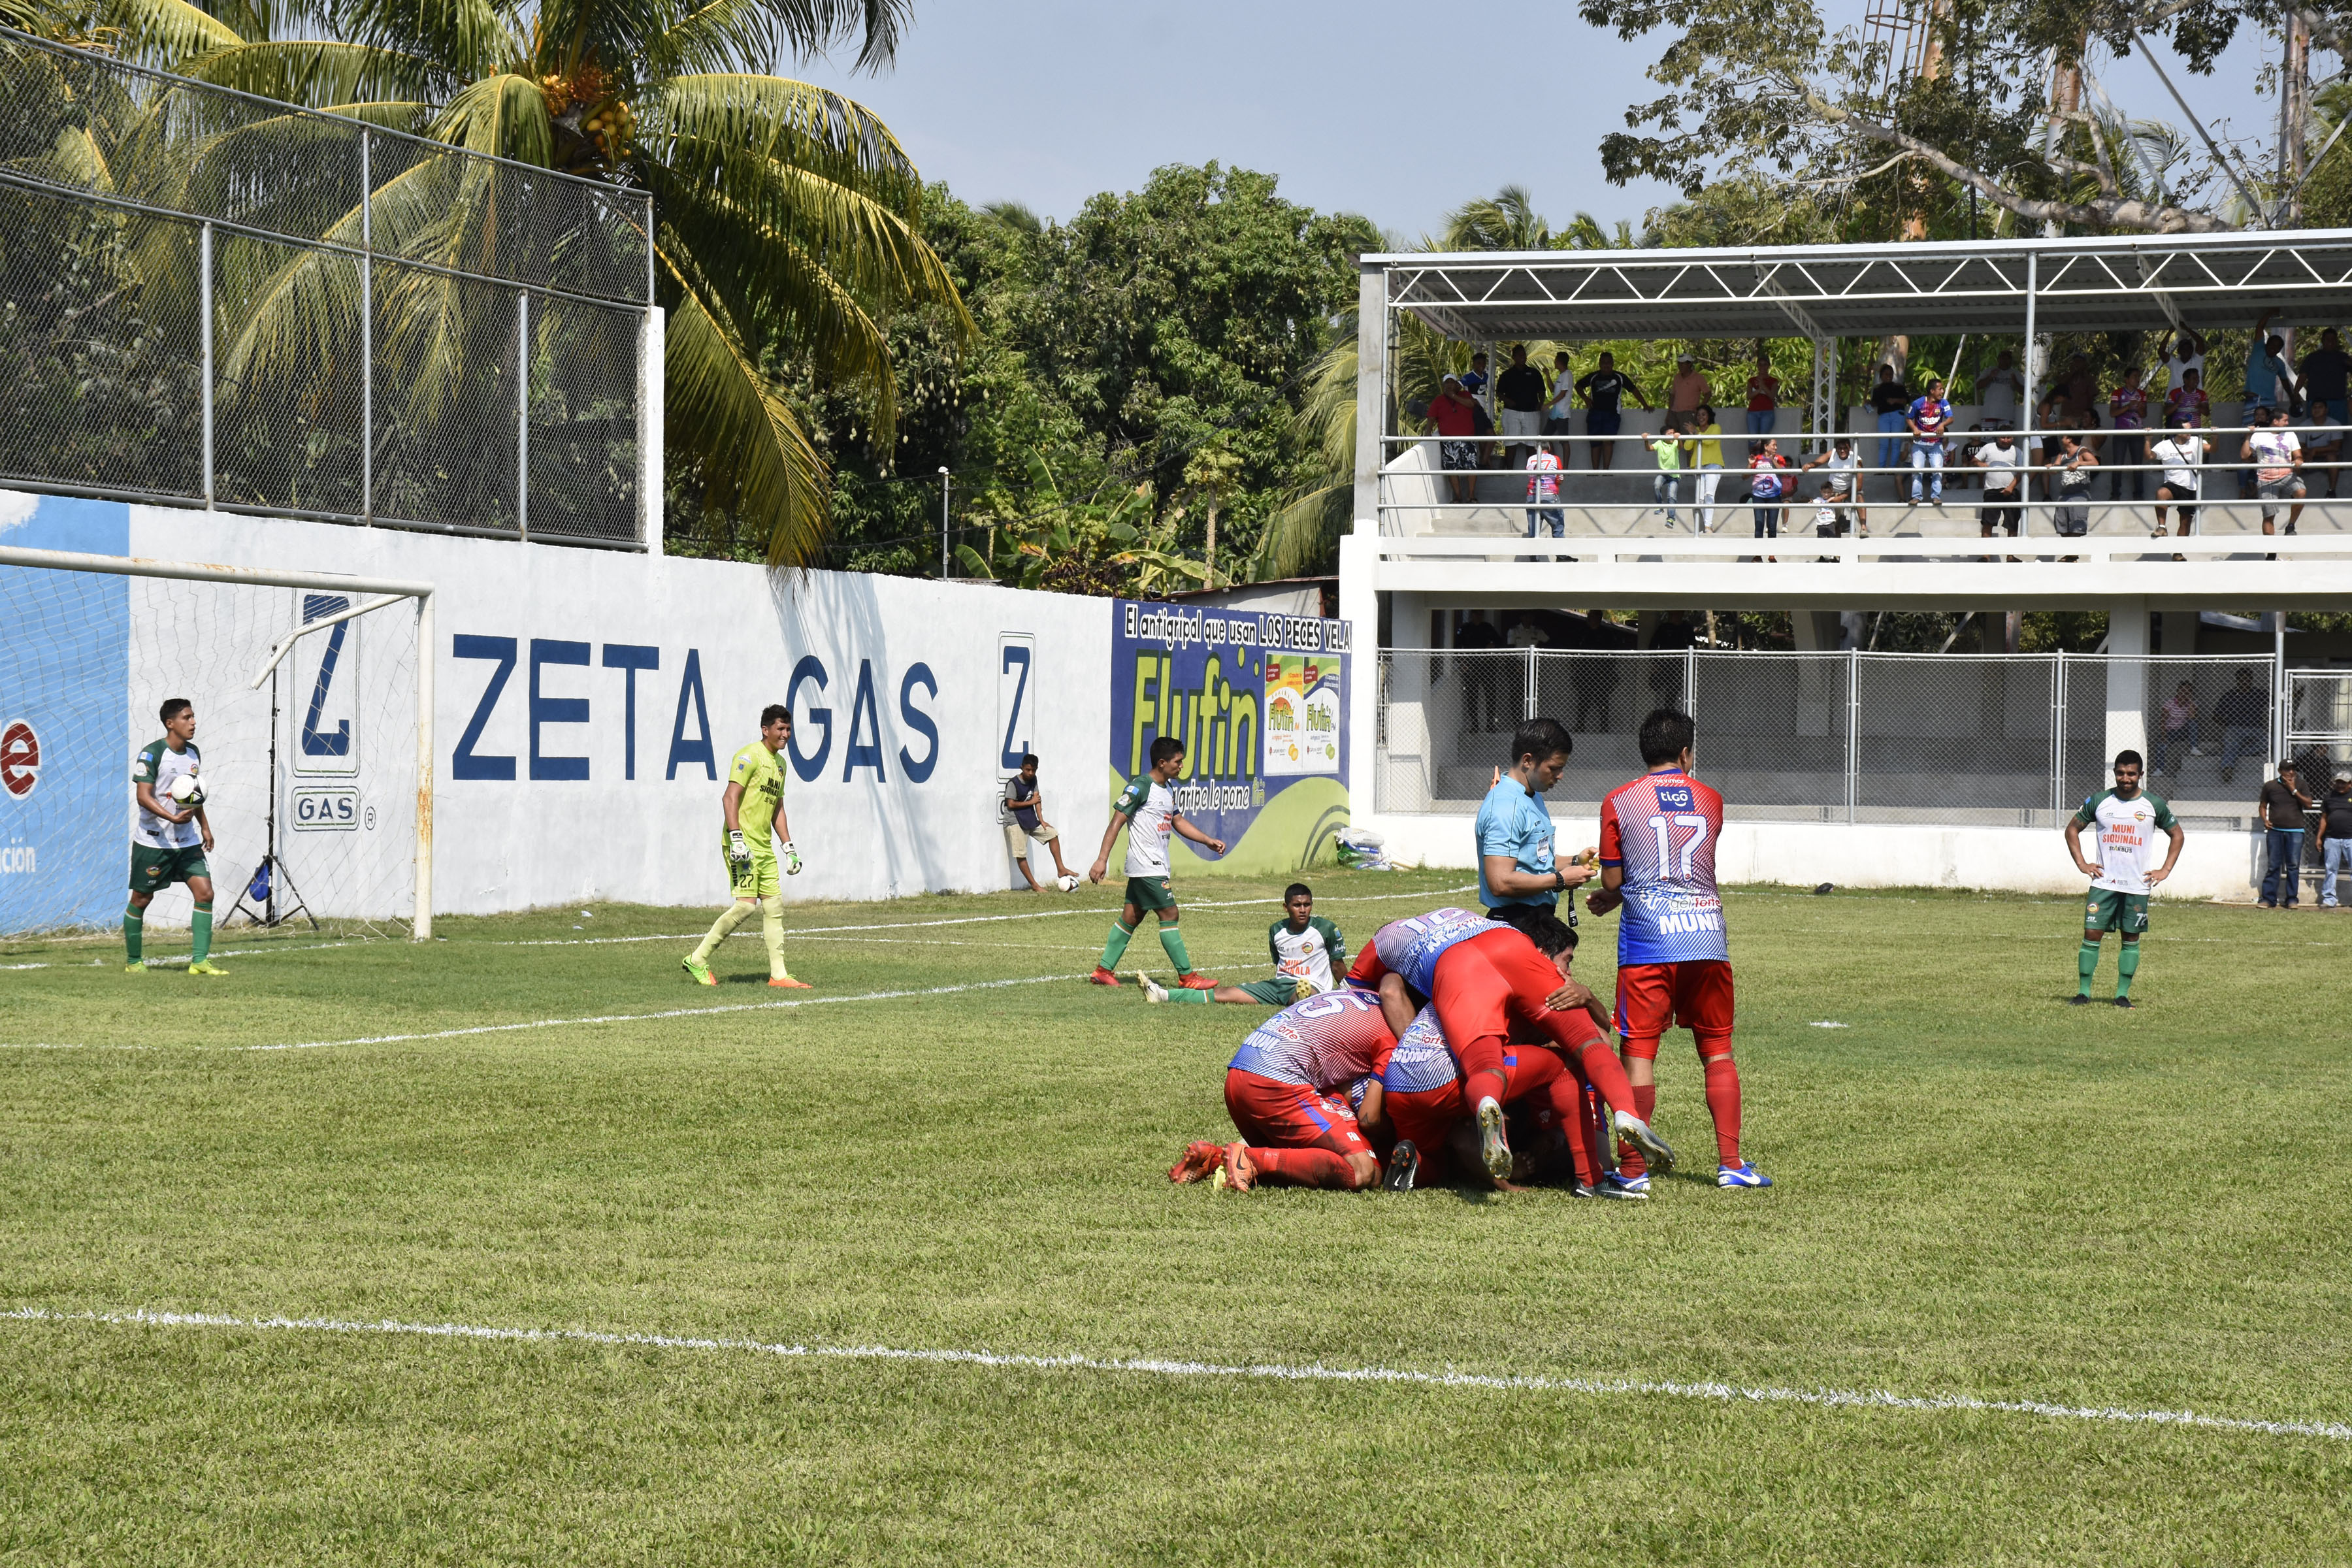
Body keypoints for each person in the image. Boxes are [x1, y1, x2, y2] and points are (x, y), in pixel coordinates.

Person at [1344, 906, 1675, 1181]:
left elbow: (1356, 995)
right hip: (1504, 942)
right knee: (1583, 1045)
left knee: (1482, 1063)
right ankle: (1624, 1116)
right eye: (1568, 961)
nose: (1570, 970)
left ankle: (1487, 1101)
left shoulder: (1386, 944)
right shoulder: (1467, 918)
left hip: (1450, 977)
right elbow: (1601, 1036)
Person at [1586, 707, 1767, 1189]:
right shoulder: (1712, 798)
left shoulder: (1618, 800)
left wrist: (1614, 891)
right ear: (1686, 753)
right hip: (1707, 937)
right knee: (1718, 1051)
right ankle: (1731, 1165)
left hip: (1649, 941)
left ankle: (1632, 1173)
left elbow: (1615, 878)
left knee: (1639, 1055)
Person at [1168, 984, 1397, 1191]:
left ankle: (1214, 1158)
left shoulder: (1363, 995)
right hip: (1276, 1081)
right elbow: (1369, 1119)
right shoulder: (1394, 1034)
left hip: (1240, 1074)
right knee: (1365, 1171)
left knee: (1302, 1160)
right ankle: (1251, 1159)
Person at [681, 703, 809, 988]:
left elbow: (777, 808)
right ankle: (698, 959)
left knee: (774, 907)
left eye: (788, 729)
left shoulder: (780, 765)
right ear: (766, 730)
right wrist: (736, 837)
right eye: (780, 729)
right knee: (746, 907)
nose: (786, 734)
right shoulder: (749, 756)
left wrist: (788, 847)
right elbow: (730, 798)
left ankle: (779, 975)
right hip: (742, 844)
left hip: (764, 847)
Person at [1087, 735, 1227, 987]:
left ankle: (1102, 971)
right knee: (1170, 913)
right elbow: (1117, 822)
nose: (1182, 766)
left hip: (1152, 866)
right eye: (1178, 761)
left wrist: (1207, 840)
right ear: (1162, 763)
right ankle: (1187, 977)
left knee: (1131, 917)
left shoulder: (1168, 789)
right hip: (1147, 866)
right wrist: (1101, 860)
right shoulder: (1140, 787)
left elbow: (1178, 821)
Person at [2063, 749, 2183, 1007]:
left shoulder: (2153, 804)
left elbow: (2178, 835)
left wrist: (2165, 870)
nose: (2125, 778)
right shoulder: (2100, 801)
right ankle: (2083, 992)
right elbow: (2072, 829)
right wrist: (2082, 863)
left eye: (2131, 773)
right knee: (2091, 934)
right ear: (2115, 773)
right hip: (2104, 884)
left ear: (2141, 774)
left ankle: (2122, 995)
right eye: (2120, 773)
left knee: (2131, 938)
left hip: (2137, 886)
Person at [125, 697, 221, 976]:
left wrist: (204, 825)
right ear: (171, 723)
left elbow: (194, 795)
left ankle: (200, 962)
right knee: (141, 899)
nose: (193, 722)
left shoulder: (193, 753)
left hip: (187, 840)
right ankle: (133, 962)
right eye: (187, 718)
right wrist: (171, 818)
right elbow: (143, 797)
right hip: (154, 841)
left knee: (205, 893)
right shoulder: (152, 754)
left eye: (193, 717)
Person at [1476, 717, 1597, 936]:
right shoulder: (1506, 806)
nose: (1560, 775)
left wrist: (1574, 861)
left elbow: (1536, 862)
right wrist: (1560, 880)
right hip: (1513, 924)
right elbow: (1500, 882)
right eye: (1554, 768)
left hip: (1535, 919)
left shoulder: (1531, 796)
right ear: (1527, 760)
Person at [1139, 883, 1347, 1006]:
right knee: (1225, 993)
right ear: (1286, 907)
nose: (1303, 910)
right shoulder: (1277, 931)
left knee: (1303, 995)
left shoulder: (1325, 928)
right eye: (1297, 905)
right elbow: (1279, 963)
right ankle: (1162, 994)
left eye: (1307, 904)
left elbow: (1337, 966)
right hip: (1278, 985)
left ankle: (1303, 999)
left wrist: (1350, 992)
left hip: (1314, 986)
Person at [1002, 754, 1076, 892]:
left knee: (1052, 834)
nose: (1031, 773)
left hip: (1029, 818)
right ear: (1022, 768)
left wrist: (1041, 820)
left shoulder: (1034, 779)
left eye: (1034, 770)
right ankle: (1035, 886)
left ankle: (1061, 869)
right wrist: (1031, 802)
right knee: (1021, 854)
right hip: (1014, 821)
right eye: (1028, 770)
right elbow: (1011, 804)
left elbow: (1037, 799)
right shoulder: (1013, 783)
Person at [2298, 327, 2352, 497]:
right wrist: (2294, 395)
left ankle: (2336, 462)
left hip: (2338, 402)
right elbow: (2303, 376)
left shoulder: (2343, 358)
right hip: (2316, 400)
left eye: (2333, 339)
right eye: (2327, 339)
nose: (2330, 342)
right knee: (2315, 432)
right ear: (2322, 340)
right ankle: (2310, 461)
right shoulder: (2313, 357)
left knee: (2338, 434)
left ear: (2337, 341)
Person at [1577, 351, 1650, 470]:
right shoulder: (1594, 377)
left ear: (1612, 364)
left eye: (1609, 363)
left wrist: (1645, 405)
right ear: (1599, 363)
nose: (1606, 365)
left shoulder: (1619, 377)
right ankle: (1594, 472)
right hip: (1595, 413)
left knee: (1608, 442)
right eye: (1604, 363)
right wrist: (1585, 399)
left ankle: (1606, 471)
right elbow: (1578, 386)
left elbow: (1634, 390)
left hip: (1612, 414)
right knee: (1595, 443)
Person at [2257, 760, 2314, 909]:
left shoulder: (2301, 784)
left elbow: (2309, 804)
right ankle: (2268, 899)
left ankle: (2292, 899)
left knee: (2293, 866)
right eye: (2287, 770)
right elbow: (2263, 806)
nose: (2291, 772)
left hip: (2295, 831)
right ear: (2279, 771)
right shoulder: (2270, 786)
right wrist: (2265, 820)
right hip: (2275, 832)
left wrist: (2293, 790)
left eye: (2293, 769)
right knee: (2273, 865)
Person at [2244, 404, 2306, 537]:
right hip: (2265, 479)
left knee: (2301, 492)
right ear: (2275, 421)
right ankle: (2271, 552)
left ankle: (2291, 525)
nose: (2288, 423)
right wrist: (2248, 436)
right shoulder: (2259, 435)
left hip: (2287, 475)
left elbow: (2298, 455)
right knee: (2269, 516)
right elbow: (2244, 456)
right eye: (2285, 421)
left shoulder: (2290, 434)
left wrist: (2299, 460)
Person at [2149, 414, 2206, 538]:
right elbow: (2150, 456)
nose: (2190, 432)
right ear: (2178, 432)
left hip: (2191, 486)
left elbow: (2211, 449)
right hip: (2173, 484)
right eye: (2187, 430)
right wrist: (2147, 440)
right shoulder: (2165, 444)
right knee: (2161, 493)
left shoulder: (2196, 441)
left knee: (2186, 521)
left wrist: (2215, 437)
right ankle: (2162, 528)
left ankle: (2178, 553)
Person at [1495, 344, 1548, 470]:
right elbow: (1499, 393)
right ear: (1514, 357)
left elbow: (1542, 391)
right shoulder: (1507, 375)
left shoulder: (1534, 373)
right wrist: (1508, 401)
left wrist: (1540, 403)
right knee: (1510, 443)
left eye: (1524, 355)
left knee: (1532, 443)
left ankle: (1531, 471)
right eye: (1520, 355)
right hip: (1511, 412)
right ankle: (1510, 470)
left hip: (1531, 412)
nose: (1523, 357)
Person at [1454, 608, 1506, 734]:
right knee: (1472, 696)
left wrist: (1492, 645)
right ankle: (1475, 725)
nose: (1479, 616)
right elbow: (1456, 647)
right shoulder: (1465, 628)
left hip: (1487, 666)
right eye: (1477, 613)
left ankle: (1490, 725)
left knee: (1491, 695)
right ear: (1472, 615)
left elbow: (1500, 642)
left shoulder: (1488, 627)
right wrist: (1462, 663)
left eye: (1481, 614)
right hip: (1471, 667)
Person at [1430, 376, 1479, 505]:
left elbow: (1470, 404)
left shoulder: (1465, 395)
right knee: (1452, 469)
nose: (1450, 385)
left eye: (1452, 382)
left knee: (1472, 468)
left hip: (1467, 439)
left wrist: (1453, 396)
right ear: (1443, 385)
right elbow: (1431, 419)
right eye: (1447, 383)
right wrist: (1426, 436)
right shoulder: (1439, 400)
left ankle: (1471, 495)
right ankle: (1458, 497)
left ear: (1457, 384)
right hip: (1449, 441)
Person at [1906, 376, 1955, 503]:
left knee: (1937, 470)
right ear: (1932, 391)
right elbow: (1908, 418)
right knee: (1917, 471)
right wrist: (1914, 429)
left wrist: (1942, 424)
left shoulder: (1944, 403)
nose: (1942, 391)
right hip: (1919, 443)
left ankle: (1936, 497)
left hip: (1936, 443)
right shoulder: (1918, 403)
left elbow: (1951, 418)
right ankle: (1916, 497)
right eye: (1940, 389)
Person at [1805, 435, 1864, 537]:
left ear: (1850, 449)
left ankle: (1864, 528)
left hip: (1851, 490)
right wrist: (1809, 465)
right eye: (1840, 448)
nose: (1842, 451)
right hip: (1834, 490)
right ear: (1836, 449)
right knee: (1836, 523)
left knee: (1859, 496)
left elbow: (1859, 486)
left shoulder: (1857, 460)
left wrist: (1841, 497)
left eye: (1845, 448)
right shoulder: (1832, 454)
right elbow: (1819, 461)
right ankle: (1837, 548)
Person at [2216, 668, 2268, 785]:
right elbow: (2216, 715)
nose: (2244, 681)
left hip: (2256, 728)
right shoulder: (2230, 695)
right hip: (2235, 728)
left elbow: (2278, 700)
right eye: (2242, 679)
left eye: (2247, 678)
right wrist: (2228, 724)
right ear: (2237, 680)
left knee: (2269, 743)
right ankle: (2227, 768)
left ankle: (2236, 753)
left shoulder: (2258, 693)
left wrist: (2293, 695)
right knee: (2230, 740)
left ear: (2251, 679)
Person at [2107, 367, 2149, 503]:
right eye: (2135, 377)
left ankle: (2139, 494)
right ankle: (2115, 494)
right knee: (2118, 463)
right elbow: (2113, 413)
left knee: (2137, 464)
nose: (2137, 379)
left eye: (2138, 377)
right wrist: (2128, 406)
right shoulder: (2117, 393)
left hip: (2137, 432)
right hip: (2121, 432)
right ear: (2127, 379)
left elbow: (2144, 415)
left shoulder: (2142, 394)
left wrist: (2140, 408)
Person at [1974, 430, 2025, 540]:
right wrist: (1980, 464)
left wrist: (2010, 488)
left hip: (2011, 492)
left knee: (2013, 524)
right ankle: (1986, 556)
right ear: (1997, 437)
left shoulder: (2017, 451)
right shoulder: (1988, 447)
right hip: (1991, 491)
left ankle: (2010, 556)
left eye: (2009, 437)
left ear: (2013, 438)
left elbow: (2021, 472)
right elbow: (1975, 460)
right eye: (2003, 437)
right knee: (1987, 523)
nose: (2005, 440)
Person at [2046, 430, 2098, 538]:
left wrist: (2079, 463)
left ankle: (2073, 554)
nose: (2062, 440)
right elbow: (2055, 471)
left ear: (2070, 439)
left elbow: (2095, 463)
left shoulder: (2083, 451)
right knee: (2062, 524)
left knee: (2077, 526)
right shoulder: (2062, 454)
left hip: (2080, 494)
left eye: (2064, 437)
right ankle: (2070, 554)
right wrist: (2050, 468)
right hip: (2064, 494)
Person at [1870, 363, 1911, 497]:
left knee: (1896, 443)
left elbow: (1906, 400)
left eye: (1890, 374)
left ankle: (1892, 469)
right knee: (1883, 443)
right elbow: (1874, 402)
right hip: (1883, 416)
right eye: (1886, 374)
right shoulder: (1877, 388)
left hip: (1897, 415)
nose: (1888, 376)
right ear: (1881, 376)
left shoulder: (1898, 387)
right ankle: (1882, 469)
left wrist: (1895, 400)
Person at [2246, 311, 2296, 415]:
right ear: (2267, 343)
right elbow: (2259, 327)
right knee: (2250, 428)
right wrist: (2270, 312)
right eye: (2272, 345)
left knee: (2269, 428)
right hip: (2253, 397)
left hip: (2269, 400)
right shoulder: (2259, 349)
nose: (2274, 348)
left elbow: (2285, 381)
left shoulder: (2279, 363)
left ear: (2279, 350)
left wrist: (2292, 397)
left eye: (2277, 347)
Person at [1685, 405, 1725, 532]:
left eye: (1703, 414)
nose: (1700, 417)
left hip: (1714, 464)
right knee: (1701, 498)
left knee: (1709, 494)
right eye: (1698, 415)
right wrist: (1692, 433)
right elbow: (1687, 446)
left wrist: (1696, 433)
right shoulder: (1695, 430)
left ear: (1709, 416)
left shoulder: (1716, 428)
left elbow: (1709, 441)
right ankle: (1708, 526)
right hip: (1698, 467)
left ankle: (1708, 526)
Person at [2152, 680, 2200, 779]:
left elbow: (2192, 717)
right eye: (2183, 691)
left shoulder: (2192, 704)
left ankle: (2193, 747)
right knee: (2161, 745)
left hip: (2184, 730)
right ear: (2178, 691)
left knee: (2193, 724)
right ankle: (2159, 769)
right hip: (2171, 731)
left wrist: (2190, 704)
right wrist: (2164, 735)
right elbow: (2163, 721)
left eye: (2188, 692)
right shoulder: (2170, 704)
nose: (2185, 694)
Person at [1746, 436, 1792, 539]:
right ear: (1766, 447)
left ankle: (1772, 555)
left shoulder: (1779, 459)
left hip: (1774, 496)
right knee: (1759, 526)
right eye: (1774, 445)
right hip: (1758, 496)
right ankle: (1758, 554)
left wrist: (1773, 461)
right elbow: (1745, 476)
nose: (1776, 447)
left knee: (1772, 526)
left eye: (1776, 445)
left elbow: (1785, 473)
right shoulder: (1757, 459)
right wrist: (1750, 465)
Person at [1642, 417, 1684, 526]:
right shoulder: (1660, 443)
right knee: (1656, 485)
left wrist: (1678, 438)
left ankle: (1671, 519)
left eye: (1673, 433)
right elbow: (1649, 449)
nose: (1672, 435)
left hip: (1674, 476)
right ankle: (1660, 506)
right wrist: (1646, 440)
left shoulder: (1675, 443)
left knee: (1672, 496)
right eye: (1669, 434)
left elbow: (1680, 447)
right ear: (1663, 436)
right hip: (1663, 473)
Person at [2321, 770, 2352, 908]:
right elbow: (2324, 818)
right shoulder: (2328, 797)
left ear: (2350, 784)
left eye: (2343, 783)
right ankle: (2329, 899)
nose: (2340, 785)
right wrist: (2319, 837)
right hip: (2332, 839)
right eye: (2338, 782)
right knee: (2331, 869)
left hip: (2350, 839)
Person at [1525, 437, 1565, 539]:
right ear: (1549, 447)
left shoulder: (1531, 459)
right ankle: (1561, 554)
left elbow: (1530, 476)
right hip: (1549, 496)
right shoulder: (1555, 459)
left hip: (1532, 496)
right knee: (1558, 525)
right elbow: (1560, 478)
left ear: (1536, 448)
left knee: (1533, 531)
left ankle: (1534, 555)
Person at [1976, 348, 2024, 429]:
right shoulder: (1989, 370)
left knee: (2006, 440)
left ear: (2011, 360)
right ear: (1998, 359)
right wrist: (1990, 377)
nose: (2005, 361)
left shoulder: (2015, 373)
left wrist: (2015, 382)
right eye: (2003, 358)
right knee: (1989, 440)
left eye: (2008, 359)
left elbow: (2025, 392)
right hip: (1989, 413)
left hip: (2007, 415)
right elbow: (1978, 386)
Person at [1544, 350, 1578, 450]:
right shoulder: (1561, 375)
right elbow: (1553, 390)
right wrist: (1547, 375)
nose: (1554, 362)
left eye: (1555, 360)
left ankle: (1565, 466)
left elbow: (1563, 394)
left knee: (1564, 441)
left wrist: (1548, 405)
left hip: (1562, 414)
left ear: (1559, 361)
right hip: (1555, 413)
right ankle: (1553, 461)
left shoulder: (1567, 375)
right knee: (1545, 437)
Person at [2159, 327, 2208, 395]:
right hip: (2174, 402)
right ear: (2179, 351)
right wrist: (2169, 333)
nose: (2186, 351)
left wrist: (2187, 329)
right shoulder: (2173, 362)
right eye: (2183, 349)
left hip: (2194, 401)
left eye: (2188, 349)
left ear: (2192, 350)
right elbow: (2161, 352)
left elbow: (2200, 342)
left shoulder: (2197, 360)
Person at [1743, 348, 1780, 436]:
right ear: (1757, 366)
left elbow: (1772, 396)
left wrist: (1763, 386)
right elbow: (1749, 396)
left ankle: (1763, 450)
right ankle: (1754, 450)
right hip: (1753, 412)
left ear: (1769, 366)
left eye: (1765, 365)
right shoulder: (1751, 380)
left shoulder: (1773, 381)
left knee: (1763, 438)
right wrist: (1759, 390)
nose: (1762, 367)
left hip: (1767, 412)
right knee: (1753, 438)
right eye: (1760, 365)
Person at [2163, 367, 2210, 432]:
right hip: (2178, 431)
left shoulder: (2201, 394)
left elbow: (2207, 413)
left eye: (2198, 378)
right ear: (2186, 380)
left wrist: (2199, 406)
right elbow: (2166, 412)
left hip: (2195, 431)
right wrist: (2177, 403)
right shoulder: (2174, 393)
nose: (2197, 381)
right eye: (2194, 378)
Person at [1668, 353, 1710, 421]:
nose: (1680, 366)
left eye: (1682, 363)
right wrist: (1669, 413)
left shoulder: (1698, 378)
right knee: (1670, 431)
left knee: (1686, 431)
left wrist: (1699, 409)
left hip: (1689, 413)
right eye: (1679, 363)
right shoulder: (1677, 377)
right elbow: (1673, 395)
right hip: (1674, 413)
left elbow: (1708, 394)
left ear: (1689, 364)